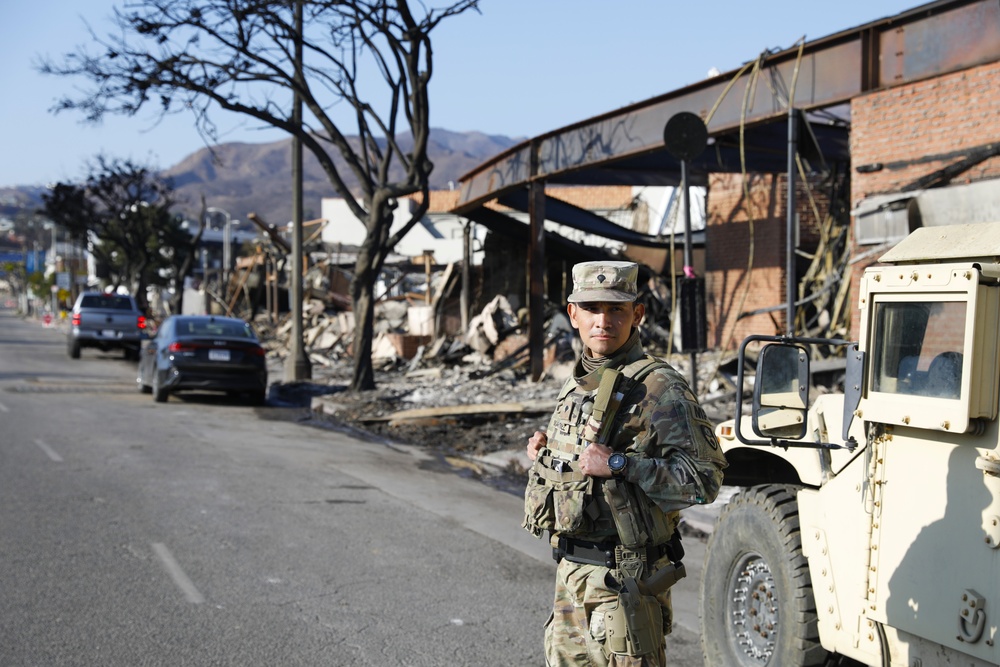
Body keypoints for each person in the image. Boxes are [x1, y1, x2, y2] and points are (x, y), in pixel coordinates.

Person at [523, 260, 727, 667]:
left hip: (624, 587)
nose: (604, 320)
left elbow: (706, 479)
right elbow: (582, 462)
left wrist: (620, 464)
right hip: (571, 580)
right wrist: (550, 453)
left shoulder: (660, 387)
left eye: (616, 309)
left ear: (637, 314)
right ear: (573, 314)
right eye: (593, 308)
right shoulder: (580, 377)